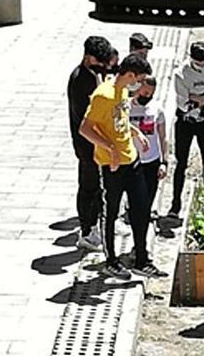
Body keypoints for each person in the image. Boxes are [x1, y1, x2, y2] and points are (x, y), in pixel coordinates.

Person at [79, 54, 168, 279]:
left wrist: (135, 132)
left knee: (141, 209)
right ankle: (111, 259)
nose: (139, 84)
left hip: (132, 159)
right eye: (138, 79)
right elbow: (86, 128)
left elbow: (119, 119)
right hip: (112, 165)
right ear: (130, 75)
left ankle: (141, 259)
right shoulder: (103, 95)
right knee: (110, 212)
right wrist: (110, 148)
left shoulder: (123, 92)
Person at [169, 41, 204, 224]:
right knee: (181, 163)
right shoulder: (181, 73)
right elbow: (184, 103)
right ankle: (175, 204)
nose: (202, 65)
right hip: (186, 122)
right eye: (198, 62)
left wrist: (201, 97)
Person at [67, 36, 113, 250]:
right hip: (87, 144)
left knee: (99, 188)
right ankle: (87, 230)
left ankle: (97, 225)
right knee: (89, 187)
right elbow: (85, 117)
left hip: (99, 142)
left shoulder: (96, 73)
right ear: (88, 57)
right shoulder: (80, 80)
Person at [128, 76, 173, 237]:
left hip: (151, 161)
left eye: (151, 94)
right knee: (136, 203)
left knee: (147, 201)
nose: (147, 96)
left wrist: (164, 161)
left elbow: (163, 137)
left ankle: (142, 235)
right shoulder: (126, 108)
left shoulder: (157, 109)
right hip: (131, 161)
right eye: (145, 92)